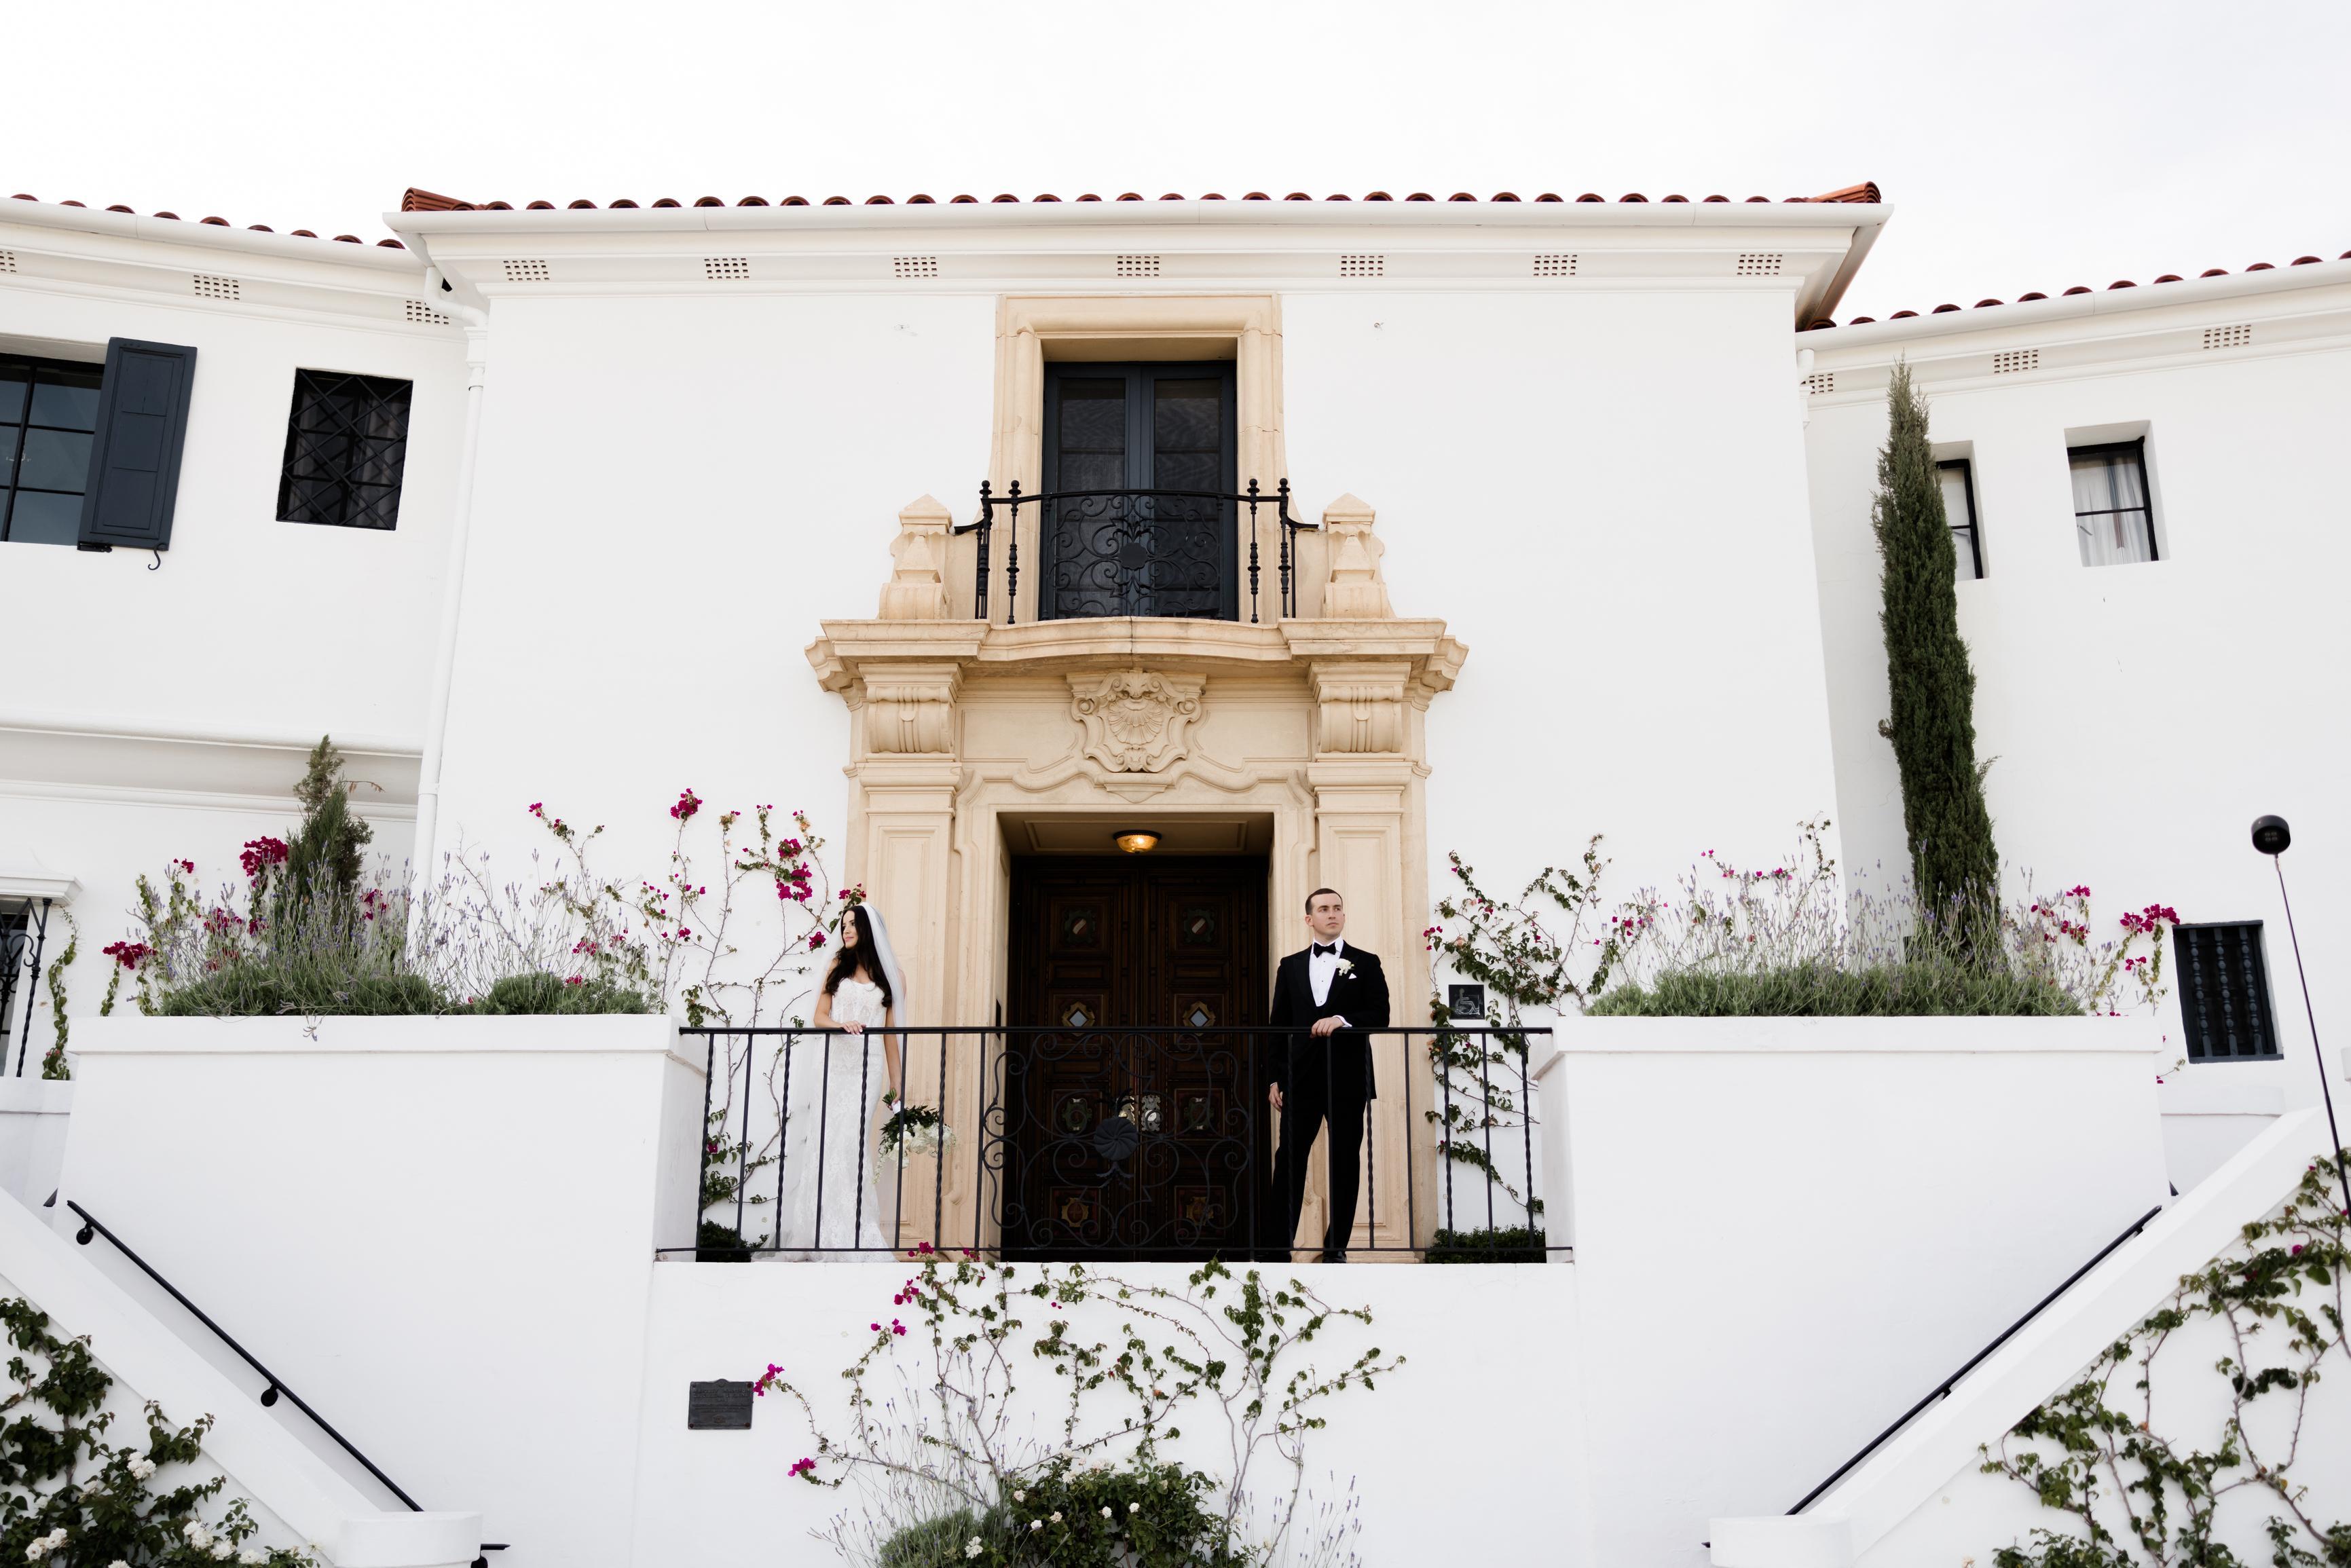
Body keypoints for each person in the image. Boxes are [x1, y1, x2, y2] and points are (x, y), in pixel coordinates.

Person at [1265, 887, 1390, 1262]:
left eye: (1337, 908)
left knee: (1345, 1161)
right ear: (1309, 919)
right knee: (1289, 1160)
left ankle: (1336, 1249)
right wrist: (1274, 1078)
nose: (1332, 914)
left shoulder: (1366, 962)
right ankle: (1277, 1250)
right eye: (1323, 909)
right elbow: (1278, 1027)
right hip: (1300, 1078)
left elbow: (1380, 1015)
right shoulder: (1289, 966)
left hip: (1348, 1077)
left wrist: (1342, 1020)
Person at [774, 903, 904, 1255]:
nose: (845, 930)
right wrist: (841, 1025)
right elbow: (819, 1016)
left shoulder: (892, 977)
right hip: (834, 1066)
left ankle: (855, 1229)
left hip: (867, 1068)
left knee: (852, 1143)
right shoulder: (837, 966)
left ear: (868, 930)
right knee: (826, 1141)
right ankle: (817, 1231)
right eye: (843, 925)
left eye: (852, 925)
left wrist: (897, 1083)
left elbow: (890, 1036)